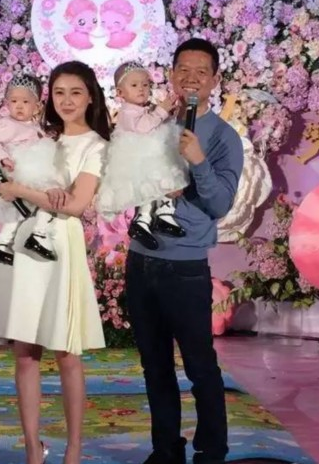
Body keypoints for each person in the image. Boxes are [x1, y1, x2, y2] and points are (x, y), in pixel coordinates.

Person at [0, 61, 111, 464]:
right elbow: (2, 175)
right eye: (59, 92)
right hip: (24, 241)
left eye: (76, 92)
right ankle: (33, 448)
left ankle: (73, 450)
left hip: (60, 245)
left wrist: (22, 190)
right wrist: (16, 188)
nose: (67, 100)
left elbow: (76, 205)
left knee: (66, 352)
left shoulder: (96, 146)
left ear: (90, 96)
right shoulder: (37, 135)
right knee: (25, 352)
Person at [125, 38, 244, 464]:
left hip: (185, 267)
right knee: (154, 365)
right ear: (172, 75)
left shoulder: (224, 138)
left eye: (201, 72)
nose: (191, 79)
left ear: (214, 79)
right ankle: (166, 450)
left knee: (199, 366)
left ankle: (211, 452)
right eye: (183, 70)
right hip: (140, 261)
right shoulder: (154, 125)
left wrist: (197, 161)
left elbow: (219, 204)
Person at [96, 61, 189, 250]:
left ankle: (164, 214)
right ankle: (143, 220)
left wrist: (167, 112)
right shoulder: (127, 111)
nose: (141, 89)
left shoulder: (147, 108)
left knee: (165, 180)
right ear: (120, 93)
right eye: (134, 85)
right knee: (148, 189)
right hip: (138, 160)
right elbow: (143, 126)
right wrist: (161, 111)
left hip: (153, 156)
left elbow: (155, 122)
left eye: (145, 85)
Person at [0, 74, 61, 265]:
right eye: (14, 101)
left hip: (30, 168)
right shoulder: (8, 124)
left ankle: (7, 244)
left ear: (37, 106)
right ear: (7, 103)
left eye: (25, 102)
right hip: (19, 169)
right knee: (44, 196)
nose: (19, 106)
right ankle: (35, 236)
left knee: (30, 206)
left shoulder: (33, 125)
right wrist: (3, 157)